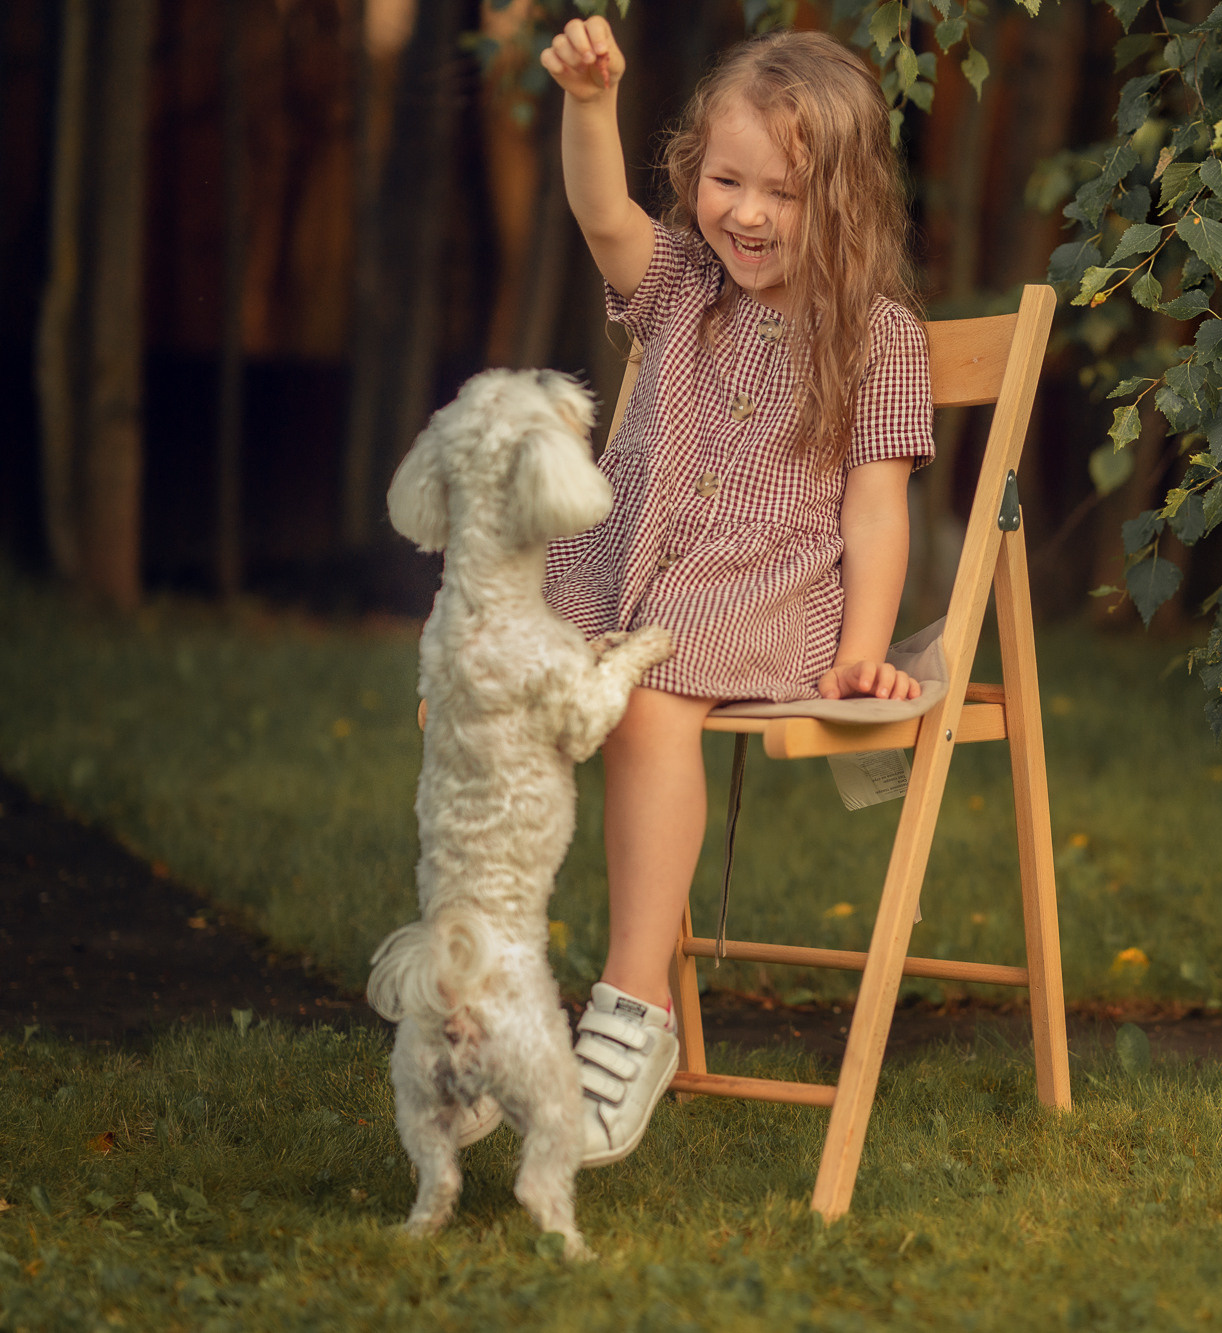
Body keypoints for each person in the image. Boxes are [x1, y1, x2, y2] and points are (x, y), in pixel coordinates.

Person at [529, 20, 932, 1168]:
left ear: (846, 201)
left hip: (771, 589)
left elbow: (873, 510)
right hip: (639, 557)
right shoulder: (683, 289)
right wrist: (590, 104)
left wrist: (861, 647)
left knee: (648, 692)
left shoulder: (878, 338)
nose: (746, 213)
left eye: (784, 193)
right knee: (505, 667)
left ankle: (629, 1010)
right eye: (724, 180)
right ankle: (476, 986)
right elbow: (604, 215)